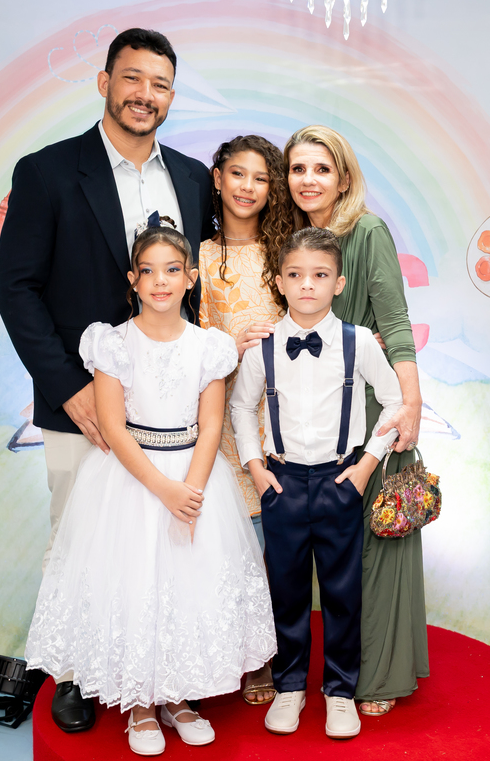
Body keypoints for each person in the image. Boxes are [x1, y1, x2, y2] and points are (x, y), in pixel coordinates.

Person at [0, 28, 213, 733]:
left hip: (172, 413)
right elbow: (16, 288)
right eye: (132, 78)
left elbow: (199, 288)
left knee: (166, 546)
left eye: (160, 84)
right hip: (83, 406)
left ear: (171, 96)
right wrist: (68, 386)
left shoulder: (194, 178)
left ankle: (164, 672)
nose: (145, 95)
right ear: (105, 83)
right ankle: (78, 675)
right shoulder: (47, 172)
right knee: (81, 541)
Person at [25, 225, 276, 756]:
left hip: (193, 477)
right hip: (132, 479)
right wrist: (163, 489)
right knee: (135, 584)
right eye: (148, 271)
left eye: (172, 270)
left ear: (190, 278)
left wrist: (191, 489)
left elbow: (212, 425)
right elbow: (113, 427)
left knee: (185, 585)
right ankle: (140, 704)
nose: (160, 281)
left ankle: (178, 698)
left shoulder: (209, 347)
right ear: (133, 280)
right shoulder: (112, 343)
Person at [230, 227, 403, 741]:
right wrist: (256, 467)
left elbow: (394, 402)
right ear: (280, 282)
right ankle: (289, 686)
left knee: (342, 592)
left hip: (339, 480)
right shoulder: (263, 347)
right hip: (281, 482)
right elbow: (240, 406)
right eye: (296, 274)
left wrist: (366, 466)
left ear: (338, 283)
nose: (308, 284)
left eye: (320, 275)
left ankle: (340, 691)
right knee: (285, 589)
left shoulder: (358, 342)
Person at [280, 125, 427, 717]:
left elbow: (395, 324)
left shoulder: (366, 233)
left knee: (376, 546)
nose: (308, 180)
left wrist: (409, 406)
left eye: (322, 168)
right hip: (311, 418)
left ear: (344, 178)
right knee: (334, 563)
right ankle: (325, 675)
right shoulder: (291, 240)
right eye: (298, 169)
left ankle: (380, 676)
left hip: (370, 410)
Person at [197, 135, 290, 706]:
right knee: (236, 545)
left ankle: (272, 654)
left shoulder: (286, 253)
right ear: (217, 177)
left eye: (261, 178)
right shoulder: (200, 256)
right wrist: (231, 344)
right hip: (223, 414)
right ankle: (240, 654)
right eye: (237, 174)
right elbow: (188, 339)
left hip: (282, 413)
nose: (247, 187)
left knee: (278, 546)